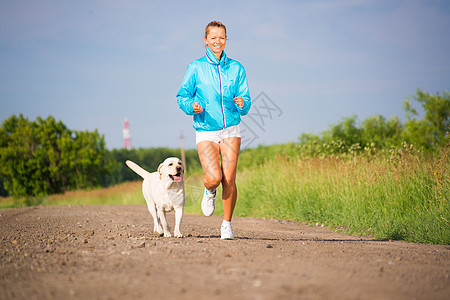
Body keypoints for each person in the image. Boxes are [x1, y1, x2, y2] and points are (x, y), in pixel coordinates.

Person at [176, 21, 251, 240]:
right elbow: (182, 96)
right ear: (206, 40)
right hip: (206, 129)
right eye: (213, 38)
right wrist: (192, 106)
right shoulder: (196, 67)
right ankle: (209, 191)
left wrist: (241, 103)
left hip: (231, 129)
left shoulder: (236, 68)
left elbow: (246, 100)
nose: (218, 42)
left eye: (222, 38)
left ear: (226, 39)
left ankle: (226, 224)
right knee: (214, 177)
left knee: (229, 178)